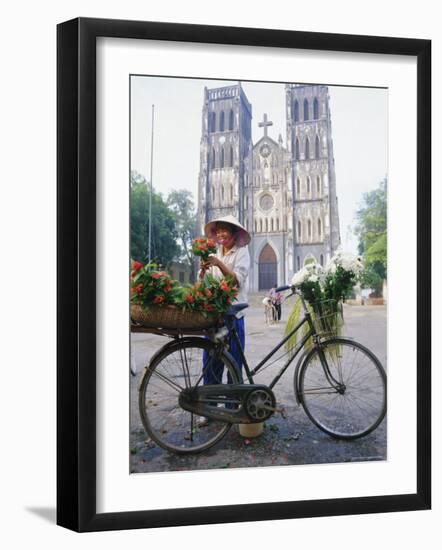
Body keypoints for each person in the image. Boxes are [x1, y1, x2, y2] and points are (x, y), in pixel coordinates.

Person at [198, 215, 250, 422]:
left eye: (224, 230)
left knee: (234, 364)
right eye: (218, 231)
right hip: (214, 317)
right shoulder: (212, 254)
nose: (221, 235)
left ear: (234, 233)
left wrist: (219, 264)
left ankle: (232, 409)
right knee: (211, 361)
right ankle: (209, 408)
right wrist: (203, 273)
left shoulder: (242, 253)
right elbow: (202, 284)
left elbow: (236, 280)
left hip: (234, 315)